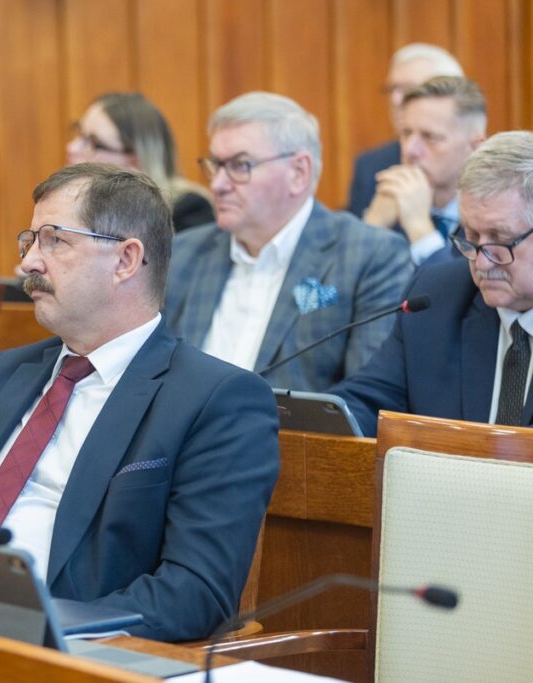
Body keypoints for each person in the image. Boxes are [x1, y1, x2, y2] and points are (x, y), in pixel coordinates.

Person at [0, 163, 280, 642]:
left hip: (49, 647)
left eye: (55, 240)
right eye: (31, 241)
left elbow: (194, 594)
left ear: (125, 260)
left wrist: (45, 628)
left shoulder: (216, 399)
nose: (29, 263)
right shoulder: (6, 373)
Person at [165, 92, 413, 392]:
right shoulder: (183, 253)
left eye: (240, 165)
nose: (217, 184)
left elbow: (367, 396)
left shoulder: (369, 256)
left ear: (298, 173)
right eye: (216, 165)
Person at [334, 131, 533, 436]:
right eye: (471, 237)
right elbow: (365, 404)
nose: (481, 263)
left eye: (501, 240)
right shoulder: (438, 296)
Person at [362, 77, 486, 265]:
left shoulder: (494, 215)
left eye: (430, 137)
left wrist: (419, 229)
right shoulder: (387, 197)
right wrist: (372, 227)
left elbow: (461, 291)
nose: (410, 149)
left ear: (475, 147)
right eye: (406, 133)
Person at [67, 92, 214, 232]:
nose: (71, 148)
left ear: (135, 162)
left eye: (94, 143)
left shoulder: (189, 211)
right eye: (79, 132)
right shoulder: (68, 205)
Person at [347, 43, 464, 217]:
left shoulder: (495, 176)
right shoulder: (373, 167)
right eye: (392, 89)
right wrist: (373, 225)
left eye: (410, 90)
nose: (395, 100)